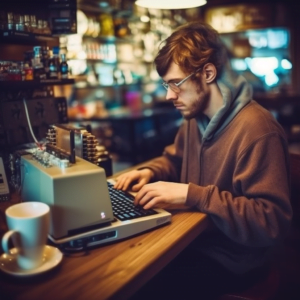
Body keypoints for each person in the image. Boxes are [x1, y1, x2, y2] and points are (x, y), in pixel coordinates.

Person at [114, 21, 293, 299]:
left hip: (235, 262)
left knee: (137, 286)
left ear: (207, 73)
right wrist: (150, 171)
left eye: (176, 83)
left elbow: (271, 222)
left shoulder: (258, 130)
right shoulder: (194, 118)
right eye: (166, 84)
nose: (169, 95)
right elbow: (175, 160)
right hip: (197, 243)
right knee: (125, 266)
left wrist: (193, 195)